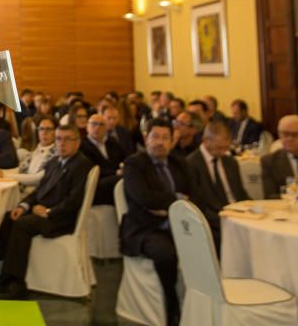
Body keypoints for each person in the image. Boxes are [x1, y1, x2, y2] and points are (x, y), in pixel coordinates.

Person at [0, 124, 93, 299]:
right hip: (42, 213)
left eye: (68, 139)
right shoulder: (54, 162)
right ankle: (0, 274)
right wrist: (24, 206)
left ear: (77, 142)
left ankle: (16, 282)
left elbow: (74, 200)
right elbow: (39, 191)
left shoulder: (82, 164)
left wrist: (49, 211)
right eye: (59, 138)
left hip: (61, 218)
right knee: (9, 217)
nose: (62, 143)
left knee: (22, 225)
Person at [120, 119, 191, 326]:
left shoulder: (180, 162)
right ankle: (172, 307)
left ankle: (201, 302)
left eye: (165, 138)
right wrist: (177, 199)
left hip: (178, 226)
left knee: (213, 238)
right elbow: (143, 198)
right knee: (165, 253)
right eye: (155, 137)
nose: (160, 142)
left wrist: (164, 206)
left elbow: (195, 195)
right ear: (146, 138)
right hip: (144, 228)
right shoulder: (134, 164)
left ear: (172, 141)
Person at [185, 120, 249, 251]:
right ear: (206, 140)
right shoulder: (191, 164)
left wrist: (253, 208)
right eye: (219, 147)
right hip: (213, 219)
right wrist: (224, 218)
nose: (223, 152)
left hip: (238, 214)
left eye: (226, 147)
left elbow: (240, 193)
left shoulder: (230, 162)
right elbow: (197, 203)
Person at [0, 115, 57, 187]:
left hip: (37, 194)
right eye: (41, 129)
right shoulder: (37, 150)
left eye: (48, 129)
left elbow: (37, 179)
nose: (44, 132)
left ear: (55, 132)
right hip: (25, 190)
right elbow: (20, 171)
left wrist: (4, 174)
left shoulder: (56, 154)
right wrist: (0, 172)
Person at [80, 113, 124, 205]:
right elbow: (91, 169)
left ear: (106, 128)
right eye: (94, 124)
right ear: (87, 127)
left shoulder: (112, 142)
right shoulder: (82, 145)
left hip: (117, 177)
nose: (97, 127)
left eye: (101, 125)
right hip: (97, 181)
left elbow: (123, 158)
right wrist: (115, 172)